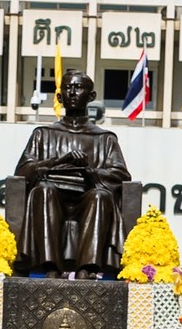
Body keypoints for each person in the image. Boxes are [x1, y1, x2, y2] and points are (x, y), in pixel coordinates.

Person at [13, 70, 132, 276]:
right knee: (43, 191)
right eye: (67, 88)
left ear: (91, 96)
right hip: (53, 198)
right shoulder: (43, 134)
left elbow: (120, 175)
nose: (72, 92)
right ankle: (51, 268)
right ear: (59, 97)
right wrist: (56, 162)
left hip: (87, 198)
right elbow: (23, 171)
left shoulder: (105, 138)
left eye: (78, 88)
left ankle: (86, 269)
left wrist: (91, 172)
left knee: (100, 196)